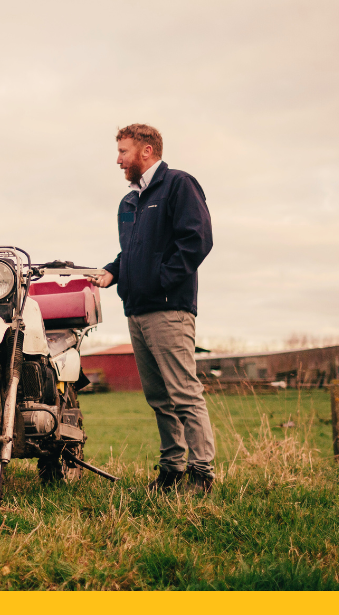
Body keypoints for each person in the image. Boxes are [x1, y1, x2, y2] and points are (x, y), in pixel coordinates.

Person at [88, 124, 216, 494]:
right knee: (159, 397)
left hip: (168, 307)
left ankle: (201, 472)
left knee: (183, 392)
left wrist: (161, 280)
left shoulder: (179, 185)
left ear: (146, 151)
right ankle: (172, 469)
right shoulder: (129, 203)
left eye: (123, 152)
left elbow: (197, 240)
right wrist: (114, 272)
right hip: (137, 309)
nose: (118, 160)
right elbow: (133, 252)